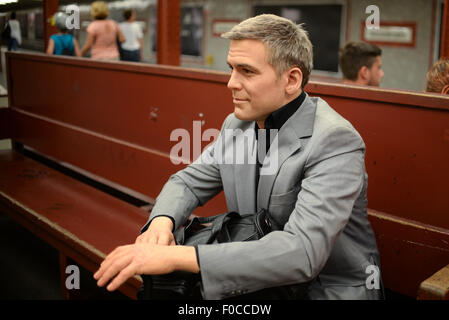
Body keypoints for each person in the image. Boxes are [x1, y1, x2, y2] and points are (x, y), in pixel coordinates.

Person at [94, 14, 383, 300]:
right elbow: (188, 182)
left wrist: (179, 257)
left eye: (246, 71)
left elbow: (303, 253)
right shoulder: (238, 124)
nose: (231, 83)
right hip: (261, 285)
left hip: (323, 290)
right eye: (231, 68)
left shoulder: (334, 140)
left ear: (292, 79)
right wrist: (161, 222)